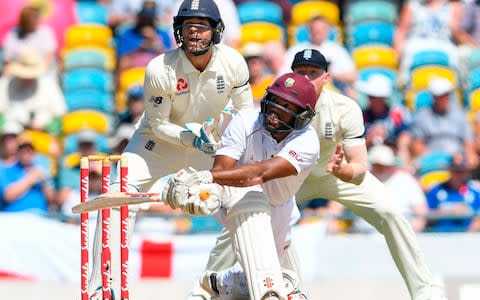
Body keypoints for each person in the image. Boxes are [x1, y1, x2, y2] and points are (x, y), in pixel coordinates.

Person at [201, 49, 449, 300]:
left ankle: (425, 291)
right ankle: (206, 289)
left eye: (313, 73)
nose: (307, 78)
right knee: (246, 216)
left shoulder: (344, 108)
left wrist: (344, 170)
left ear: (326, 77)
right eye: (301, 73)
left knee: (390, 212)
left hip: (333, 176)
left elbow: (360, 167)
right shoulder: (277, 103)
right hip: (284, 176)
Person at [87, 0, 254, 298]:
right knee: (115, 196)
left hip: (211, 145)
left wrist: (223, 142)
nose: (194, 32)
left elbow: (245, 115)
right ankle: (102, 287)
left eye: (202, 26)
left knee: (247, 207)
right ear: (178, 30)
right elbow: (155, 123)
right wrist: (191, 138)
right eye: (188, 26)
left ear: (216, 31)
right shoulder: (159, 68)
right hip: (156, 144)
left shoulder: (233, 63)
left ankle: (247, 281)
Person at [162, 72, 319, 299]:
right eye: (275, 100)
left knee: (262, 279)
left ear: (302, 115)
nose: (276, 109)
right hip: (238, 198)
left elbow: (260, 174)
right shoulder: (245, 120)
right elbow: (221, 171)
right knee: (269, 286)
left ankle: (219, 282)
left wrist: (206, 177)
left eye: (287, 106)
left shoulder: (307, 141)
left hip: (278, 207)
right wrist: (198, 189)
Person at [410, 77, 478, 170]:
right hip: (431, 160)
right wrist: (436, 159)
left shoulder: (460, 114)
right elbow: (417, 144)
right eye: (439, 96)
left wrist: (469, 157)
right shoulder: (422, 116)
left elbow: (468, 142)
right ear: (433, 97)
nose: (443, 98)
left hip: (458, 160)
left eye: (445, 95)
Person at [424, 153, 480, 233]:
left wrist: (468, 234)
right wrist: (447, 211)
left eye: (462, 171)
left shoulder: (475, 192)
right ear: (450, 170)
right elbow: (425, 216)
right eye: (456, 171)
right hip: (438, 236)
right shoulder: (436, 190)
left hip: (466, 237)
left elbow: (478, 220)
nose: (459, 175)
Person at [2, 4, 57, 75]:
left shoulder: (45, 32)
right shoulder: (12, 35)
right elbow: (7, 61)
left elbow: (49, 57)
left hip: (43, 74)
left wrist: (37, 71)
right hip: (17, 75)